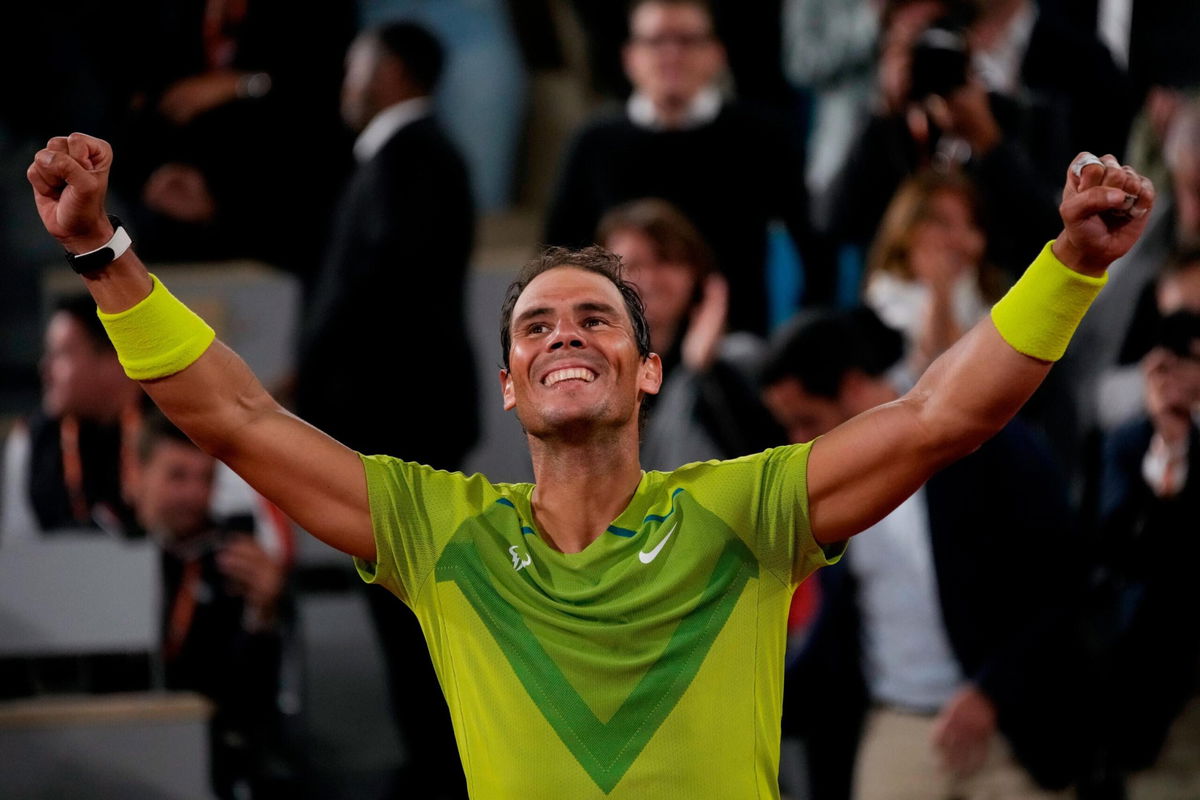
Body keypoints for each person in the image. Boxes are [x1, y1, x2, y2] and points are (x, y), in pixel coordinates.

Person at [27, 130, 1152, 798]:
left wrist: (1068, 264)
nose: (564, 332)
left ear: (648, 372)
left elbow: (936, 417)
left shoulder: (743, 508)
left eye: (598, 319)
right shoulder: (437, 527)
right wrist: (102, 250)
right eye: (536, 325)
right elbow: (233, 415)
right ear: (509, 386)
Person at [761, 308, 1084, 799]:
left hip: (1014, 732)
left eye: (807, 421)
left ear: (852, 388)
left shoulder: (989, 443)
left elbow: (1065, 587)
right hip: (897, 732)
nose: (796, 443)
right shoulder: (828, 498)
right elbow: (837, 636)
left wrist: (993, 692)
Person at [294, 21, 476, 798]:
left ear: (391, 71)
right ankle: (436, 765)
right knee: (407, 618)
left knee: (417, 623)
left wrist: (307, 372)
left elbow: (384, 294)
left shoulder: (416, 159)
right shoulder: (402, 160)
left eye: (356, 63)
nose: (346, 77)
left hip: (404, 430)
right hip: (396, 427)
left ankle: (444, 773)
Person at [545, 0, 832, 335]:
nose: (671, 54)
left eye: (686, 40)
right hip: (621, 348)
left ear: (717, 53)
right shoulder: (593, 143)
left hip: (737, 349)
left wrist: (798, 340)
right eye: (655, 41)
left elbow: (815, 251)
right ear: (629, 57)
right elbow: (557, 261)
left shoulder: (761, 137)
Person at [129, 410, 292, 799]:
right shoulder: (93, 553)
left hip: (210, 752)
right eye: (177, 476)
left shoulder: (234, 564)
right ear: (138, 474)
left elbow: (251, 701)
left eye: (206, 479)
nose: (194, 495)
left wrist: (263, 612)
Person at [597, 198, 782, 469]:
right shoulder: (594, 373)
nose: (648, 279)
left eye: (664, 260)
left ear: (695, 272)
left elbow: (767, 461)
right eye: (632, 265)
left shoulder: (741, 359)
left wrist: (702, 370)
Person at [1, 294, 142, 541]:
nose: (45, 369)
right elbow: (19, 552)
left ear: (112, 359)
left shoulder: (172, 426)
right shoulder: (32, 441)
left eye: (61, 354)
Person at [863, 169, 1005, 382]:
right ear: (908, 228)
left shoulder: (981, 285)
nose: (959, 238)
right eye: (943, 223)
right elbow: (922, 368)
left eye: (969, 224)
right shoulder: (884, 290)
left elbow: (980, 372)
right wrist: (939, 290)